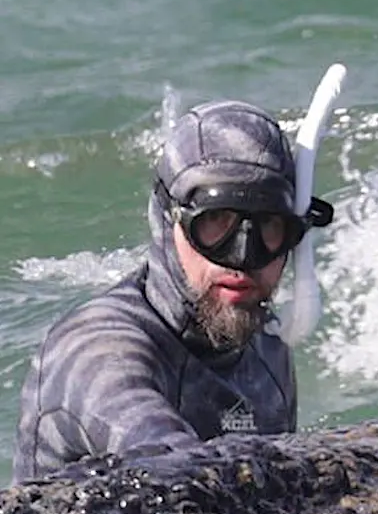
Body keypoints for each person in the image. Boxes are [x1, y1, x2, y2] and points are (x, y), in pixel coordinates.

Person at [12, 100, 333, 483]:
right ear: (167, 221)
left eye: (269, 226)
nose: (243, 257)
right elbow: (179, 473)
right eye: (216, 222)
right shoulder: (96, 354)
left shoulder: (265, 342)